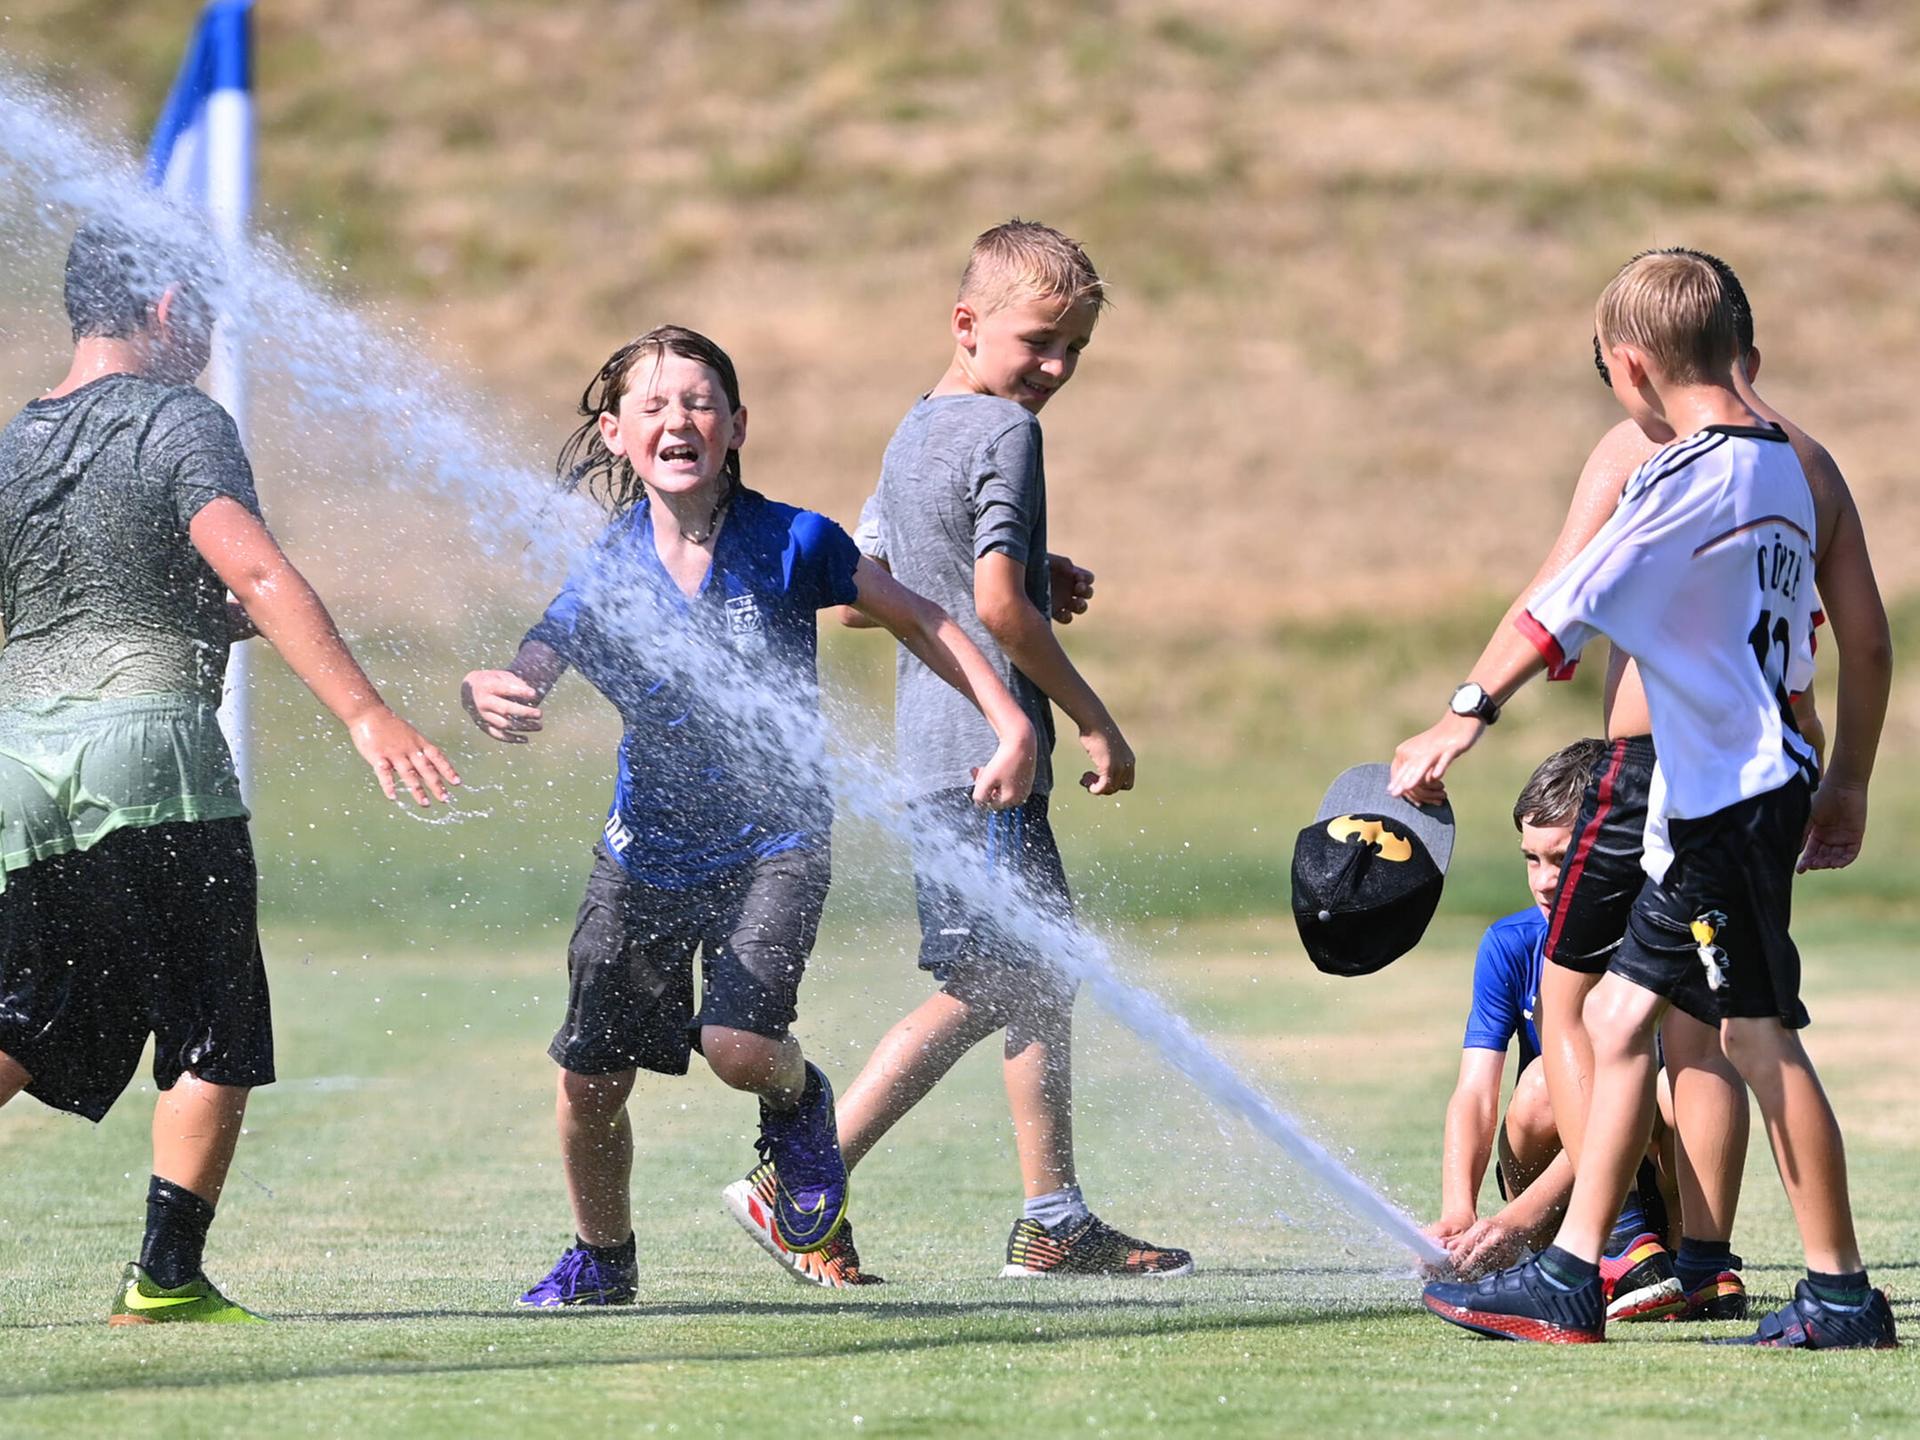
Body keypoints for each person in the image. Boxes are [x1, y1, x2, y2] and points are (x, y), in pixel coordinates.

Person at [461, 324, 1037, 1307]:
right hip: (643, 853)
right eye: (652, 404)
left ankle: (799, 1100)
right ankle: (602, 1259)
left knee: (736, 1047)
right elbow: (538, 656)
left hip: (779, 843)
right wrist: (499, 688)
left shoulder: (793, 541)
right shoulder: (610, 567)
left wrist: (1009, 720)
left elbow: (923, 617)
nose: (677, 418)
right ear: (614, 434)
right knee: (590, 1082)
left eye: (698, 401)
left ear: (734, 426)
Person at [1405, 250, 1895, 1348]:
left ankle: (1841, 1291)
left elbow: (1560, 605)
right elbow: (1853, 637)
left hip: (1726, 804)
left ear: (1630, 367)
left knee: (1758, 1040)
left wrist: (1462, 714)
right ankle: (1577, 1274)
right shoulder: (1787, 463)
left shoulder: (1690, 474)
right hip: (1733, 792)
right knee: (1625, 1018)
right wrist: (1848, 774)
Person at [0, 220, 460, 1325]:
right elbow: (250, 565)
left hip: (17, 771)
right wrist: (365, 712)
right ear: (164, 308)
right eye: (201, 314)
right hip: (152, 762)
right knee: (216, 1021)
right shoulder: (179, 418)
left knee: (19, 1020)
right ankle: (164, 1276)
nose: (209, 338)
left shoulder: (16, 441)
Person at [722, 219, 1190, 1286]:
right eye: (1039, 342)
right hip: (991, 760)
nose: (1057, 369)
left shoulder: (913, 427)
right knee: (994, 980)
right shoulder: (1007, 436)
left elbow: (863, 595)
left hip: (937, 759)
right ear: (967, 323)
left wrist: (1032, 560)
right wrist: (1090, 715)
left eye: (1074, 350)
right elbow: (995, 612)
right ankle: (800, 1178)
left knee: (1036, 979)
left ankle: (1054, 1220)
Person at [1428, 740, 1677, 1305]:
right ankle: (1581, 1250)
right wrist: (1459, 1211)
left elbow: (1630, 1115)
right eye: (1531, 858)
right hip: (1547, 1193)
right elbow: (1475, 1093)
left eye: (1561, 859)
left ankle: (1669, 1263)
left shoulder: (1655, 941)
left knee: (1666, 1091)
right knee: (1542, 1085)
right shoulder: (1510, 944)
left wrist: (1511, 1221)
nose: (1542, 881)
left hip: (1654, 1180)